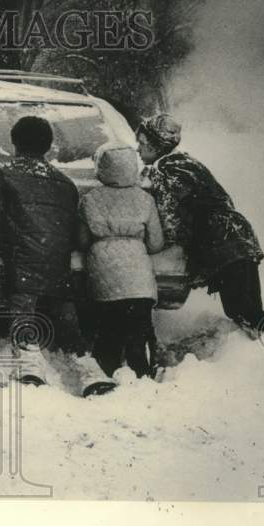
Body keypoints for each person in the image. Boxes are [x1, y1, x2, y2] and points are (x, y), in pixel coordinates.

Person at [136, 114, 264, 335]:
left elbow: (169, 218)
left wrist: (160, 244)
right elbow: (223, 200)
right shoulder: (186, 163)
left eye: (142, 143)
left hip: (220, 242)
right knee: (250, 312)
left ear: (156, 145)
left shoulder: (165, 169)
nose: (138, 149)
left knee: (244, 314)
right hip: (237, 235)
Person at [0, 115, 85, 384]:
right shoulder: (66, 183)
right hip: (58, 264)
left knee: (23, 307)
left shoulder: (1, 174)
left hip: (22, 262)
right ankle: (88, 366)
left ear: (13, 143)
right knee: (66, 317)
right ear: (49, 146)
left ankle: (29, 363)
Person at [79, 142, 164, 378]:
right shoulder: (145, 199)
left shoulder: (89, 199)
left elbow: (82, 240)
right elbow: (156, 242)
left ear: (101, 168)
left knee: (109, 329)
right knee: (139, 328)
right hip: (138, 278)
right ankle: (143, 373)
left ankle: (108, 374)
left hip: (104, 275)